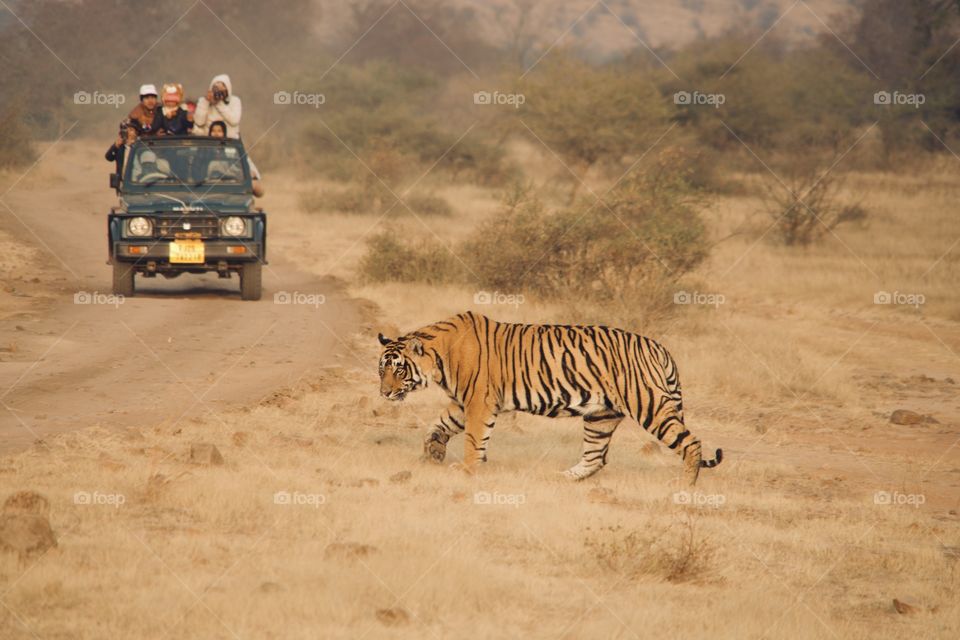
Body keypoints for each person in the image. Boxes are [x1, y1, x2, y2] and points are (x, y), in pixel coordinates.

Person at [208, 120, 263, 197]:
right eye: (213, 131)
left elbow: (248, 168)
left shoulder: (232, 150)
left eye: (219, 131)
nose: (216, 134)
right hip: (209, 185)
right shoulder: (204, 150)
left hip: (232, 183)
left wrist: (251, 174)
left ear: (224, 133)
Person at [193, 74, 241, 139]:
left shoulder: (235, 101)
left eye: (222, 90)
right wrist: (206, 102)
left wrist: (219, 104)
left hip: (229, 141)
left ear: (228, 89)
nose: (218, 92)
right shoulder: (203, 101)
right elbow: (199, 122)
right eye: (216, 88)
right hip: (208, 141)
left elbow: (234, 121)